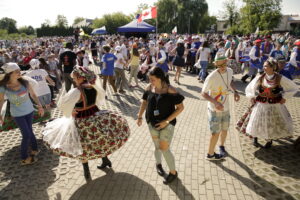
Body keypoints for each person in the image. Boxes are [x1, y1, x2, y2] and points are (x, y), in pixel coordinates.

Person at [43, 66, 130, 181]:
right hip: (95, 114)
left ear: (80, 78)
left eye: (74, 78)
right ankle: (105, 160)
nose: (73, 80)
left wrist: (71, 111)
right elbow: (99, 98)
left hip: (82, 119)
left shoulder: (76, 91)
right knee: (100, 138)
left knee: (82, 144)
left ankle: (87, 171)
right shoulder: (93, 86)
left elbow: (61, 105)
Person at [137, 67, 184, 184]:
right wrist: (139, 116)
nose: (150, 82)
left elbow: (180, 108)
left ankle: (173, 172)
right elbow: (144, 102)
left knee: (164, 148)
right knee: (157, 146)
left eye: (152, 79)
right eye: (149, 79)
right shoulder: (149, 87)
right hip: (151, 123)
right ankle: (158, 164)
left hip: (167, 125)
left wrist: (166, 121)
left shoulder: (170, 90)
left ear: (160, 78)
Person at [245, 58, 298, 148]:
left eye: (266, 66)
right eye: (264, 66)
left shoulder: (279, 78)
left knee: (271, 122)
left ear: (272, 67)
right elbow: (250, 87)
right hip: (261, 104)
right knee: (257, 120)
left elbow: (293, 87)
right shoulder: (260, 77)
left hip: (274, 104)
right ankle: (255, 138)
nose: (264, 67)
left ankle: (269, 140)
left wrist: (285, 97)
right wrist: (251, 96)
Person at [0, 63, 44, 165]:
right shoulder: (3, 87)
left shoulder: (25, 82)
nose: (19, 73)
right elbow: (1, 101)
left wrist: (40, 106)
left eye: (19, 70)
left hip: (30, 111)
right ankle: (24, 158)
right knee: (26, 134)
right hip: (17, 114)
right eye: (16, 72)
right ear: (9, 74)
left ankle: (35, 149)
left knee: (30, 131)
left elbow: (33, 95)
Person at [201, 53, 240, 160]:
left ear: (226, 62)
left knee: (225, 129)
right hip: (214, 109)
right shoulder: (211, 77)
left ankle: (221, 146)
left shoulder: (230, 71)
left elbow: (229, 82)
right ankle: (210, 154)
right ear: (215, 65)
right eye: (219, 66)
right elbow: (203, 93)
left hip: (226, 107)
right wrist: (215, 102)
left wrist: (235, 91)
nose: (221, 68)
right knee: (215, 133)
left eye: (223, 65)